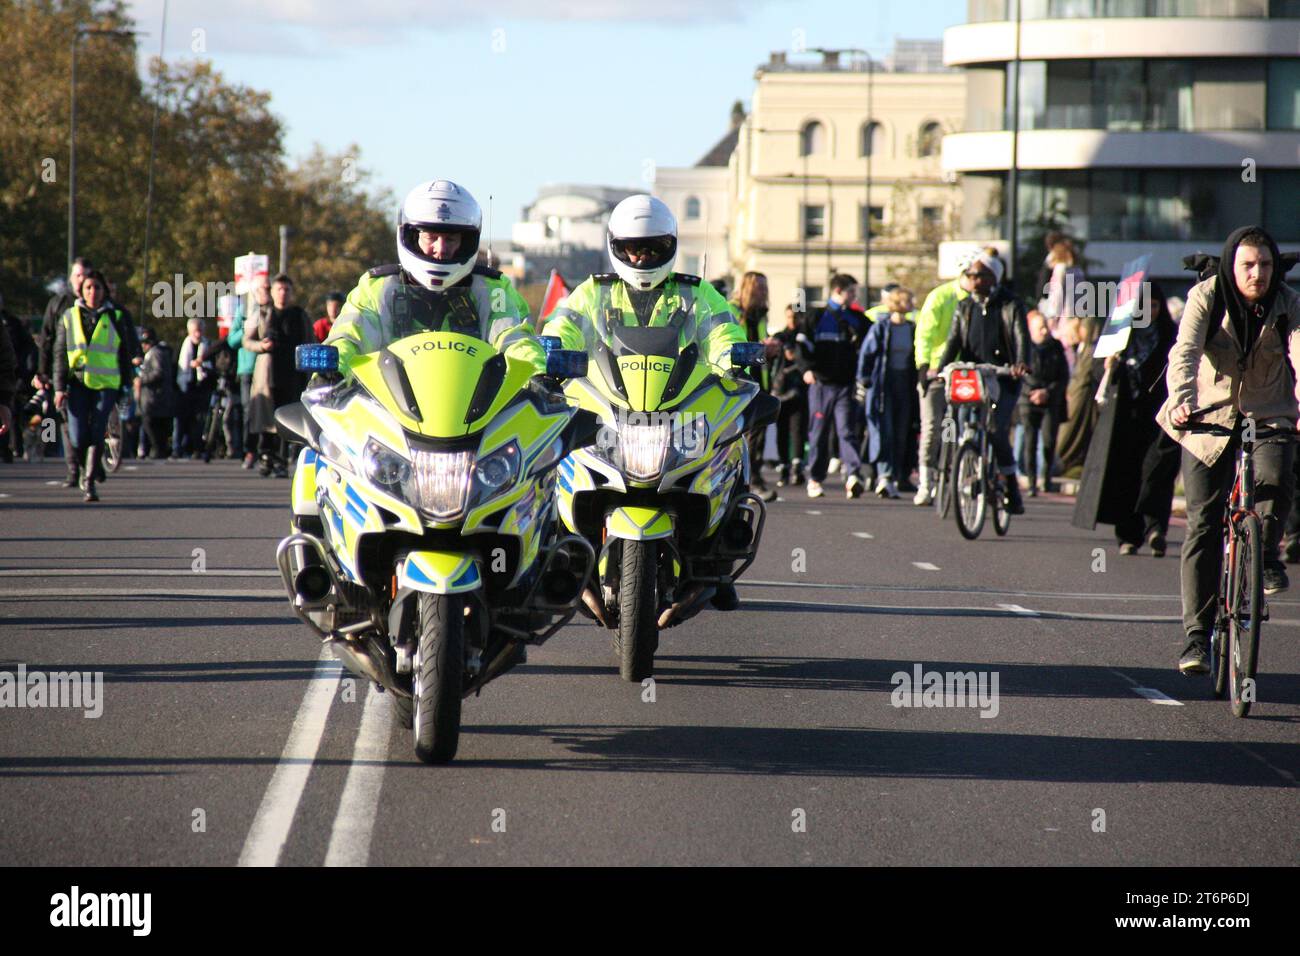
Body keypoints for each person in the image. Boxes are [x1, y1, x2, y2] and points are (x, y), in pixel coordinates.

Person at [541, 192, 745, 608]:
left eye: (651, 248)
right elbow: (563, 325)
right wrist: (551, 353)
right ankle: (556, 547)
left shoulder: (697, 293)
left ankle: (721, 553)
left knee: (733, 437)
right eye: (632, 249)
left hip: (678, 405)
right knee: (553, 454)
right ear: (616, 248)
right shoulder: (593, 293)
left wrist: (732, 357)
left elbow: (722, 330)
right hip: (613, 405)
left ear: (669, 247)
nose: (640, 258)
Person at [1158, 226, 1300, 675]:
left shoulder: (1288, 303)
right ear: (1230, 266)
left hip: (1269, 414)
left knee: (1275, 482)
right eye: (1248, 265)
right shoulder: (1207, 296)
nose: (1258, 273)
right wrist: (1181, 398)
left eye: (1266, 264)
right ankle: (1197, 637)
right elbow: (1185, 351)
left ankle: (1266, 555)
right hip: (1207, 418)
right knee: (1202, 521)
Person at [328, 179, 545, 388]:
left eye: (450, 239)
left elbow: (513, 339)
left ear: (465, 242)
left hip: (476, 409)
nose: (441, 248)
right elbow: (349, 337)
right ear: (412, 237)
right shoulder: (376, 288)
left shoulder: (491, 289)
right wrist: (332, 370)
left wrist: (538, 373)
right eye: (431, 237)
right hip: (387, 410)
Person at [1073, 284, 1180, 552]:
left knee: (1156, 472)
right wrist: (1109, 364)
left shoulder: (1172, 335)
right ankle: (1128, 536)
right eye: (1144, 307)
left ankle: (1156, 530)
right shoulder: (1119, 335)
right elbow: (1096, 370)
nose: (1150, 312)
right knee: (1126, 474)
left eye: (1155, 305)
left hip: (1160, 415)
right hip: (1124, 416)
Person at [934, 252, 1031, 514]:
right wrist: (940, 368)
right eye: (971, 276)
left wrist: (1021, 363)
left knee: (995, 430)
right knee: (963, 421)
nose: (974, 280)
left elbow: (1022, 336)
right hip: (972, 375)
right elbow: (954, 340)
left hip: (1003, 377)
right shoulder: (964, 306)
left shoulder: (1011, 304)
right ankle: (967, 463)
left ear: (994, 277)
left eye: (980, 275)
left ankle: (1010, 485)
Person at [51, 270, 135, 501]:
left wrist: (126, 385)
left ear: (103, 291)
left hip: (106, 383)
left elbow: (124, 352)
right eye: (88, 287)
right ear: (81, 290)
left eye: (97, 287)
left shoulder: (115, 316)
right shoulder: (69, 316)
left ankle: (88, 482)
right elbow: (59, 354)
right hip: (77, 383)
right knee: (78, 436)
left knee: (98, 431)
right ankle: (89, 466)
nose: (93, 292)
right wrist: (59, 387)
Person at [800, 273, 867, 499]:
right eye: (851, 291)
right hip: (821, 385)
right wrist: (806, 369)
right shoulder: (816, 316)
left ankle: (853, 475)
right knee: (818, 433)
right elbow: (801, 345)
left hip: (845, 386)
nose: (855, 296)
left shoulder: (857, 319)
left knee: (847, 431)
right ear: (838, 290)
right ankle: (816, 479)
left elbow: (872, 341)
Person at [912, 254, 972, 505]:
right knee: (932, 428)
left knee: (969, 427)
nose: (976, 281)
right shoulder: (940, 296)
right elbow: (924, 333)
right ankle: (926, 484)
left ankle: (966, 476)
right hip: (936, 371)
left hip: (966, 372)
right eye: (971, 275)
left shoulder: (981, 300)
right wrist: (923, 366)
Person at [246, 275, 311, 477]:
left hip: (292, 373)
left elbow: (310, 340)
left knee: (286, 418)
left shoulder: (299, 315)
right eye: (279, 289)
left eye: (287, 289)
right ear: (272, 292)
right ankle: (266, 456)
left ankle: (282, 459)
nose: (283, 293)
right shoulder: (261, 313)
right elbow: (246, 340)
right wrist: (261, 346)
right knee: (266, 416)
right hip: (268, 373)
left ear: (292, 293)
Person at [857, 287, 917, 499]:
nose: (912, 303)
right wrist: (863, 379)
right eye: (909, 299)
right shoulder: (881, 327)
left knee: (901, 433)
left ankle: (892, 476)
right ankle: (884, 475)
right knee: (884, 431)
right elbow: (866, 353)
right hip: (883, 385)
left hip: (905, 385)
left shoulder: (912, 328)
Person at [729, 271, 778, 502]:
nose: (765, 292)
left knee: (757, 431)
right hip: (737, 381)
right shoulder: (731, 311)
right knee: (741, 433)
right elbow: (733, 347)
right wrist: (761, 349)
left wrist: (771, 348)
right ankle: (747, 481)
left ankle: (752, 479)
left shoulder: (760, 315)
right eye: (760, 287)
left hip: (759, 381)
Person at [1017, 310, 1069, 496]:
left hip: (1050, 400)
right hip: (1027, 399)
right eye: (1040, 328)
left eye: (1045, 327)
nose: (1044, 331)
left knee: (1048, 441)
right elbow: (1018, 375)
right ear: (1030, 330)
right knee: (1029, 442)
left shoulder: (1056, 347)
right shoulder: (1023, 347)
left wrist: (1047, 392)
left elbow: (1064, 376)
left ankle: (1045, 478)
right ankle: (1032, 483)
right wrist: (1032, 392)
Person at [231, 277, 269, 468]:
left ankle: (266, 451)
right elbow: (232, 340)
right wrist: (247, 330)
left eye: (267, 288)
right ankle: (250, 450)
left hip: (269, 369)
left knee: (268, 411)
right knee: (249, 411)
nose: (265, 292)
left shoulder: (274, 311)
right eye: (261, 289)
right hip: (247, 368)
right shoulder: (244, 312)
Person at [771, 304, 811, 487]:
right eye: (789, 317)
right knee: (782, 430)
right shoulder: (780, 336)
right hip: (781, 391)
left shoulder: (805, 337)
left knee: (798, 429)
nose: (792, 321)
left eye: (795, 317)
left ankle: (796, 466)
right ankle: (784, 466)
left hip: (800, 390)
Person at [1, 294, 36, 462]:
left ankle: (41, 443)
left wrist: (28, 373)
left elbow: (9, 357)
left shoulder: (13, 324)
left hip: (20, 377)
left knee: (43, 415)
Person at [172, 318, 213, 459]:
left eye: (200, 330)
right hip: (184, 388)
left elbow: (212, 368)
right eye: (195, 331)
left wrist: (202, 366)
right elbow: (175, 368)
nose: (198, 334)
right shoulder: (182, 347)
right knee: (180, 420)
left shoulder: (208, 347)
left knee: (199, 420)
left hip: (201, 388)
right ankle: (177, 448)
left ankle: (197, 448)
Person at [135, 327, 176, 459]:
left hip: (155, 396)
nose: (143, 345)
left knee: (150, 423)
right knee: (153, 424)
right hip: (154, 396)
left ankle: (157, 449)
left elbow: (158, 372)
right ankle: (157, 449)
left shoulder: (155, 353)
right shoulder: (152, 354)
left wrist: (142, 380)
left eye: (146, 342)